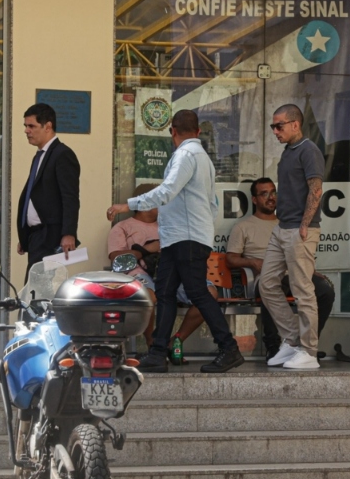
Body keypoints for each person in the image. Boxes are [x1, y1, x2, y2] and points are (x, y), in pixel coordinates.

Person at [106, 110, 244, 374]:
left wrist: (129, 204)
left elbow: (168, 191)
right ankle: (157, 353)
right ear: (198, 131)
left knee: (197, 293)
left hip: (186, 238)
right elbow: (211, 204)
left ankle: (229, 349)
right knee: (166, 294)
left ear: (173, 131)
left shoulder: (186, 155)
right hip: (179, 237)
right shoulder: (203, 159)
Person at [226, 178, 334, 360]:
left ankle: (306, 344)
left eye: (273, 192)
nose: (270, 198)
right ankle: (274, 345)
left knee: (325, 291)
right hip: (265, 275)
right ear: (254, 200)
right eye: (264, 194)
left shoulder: (287, 224)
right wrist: (253, 262)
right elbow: (230, 258)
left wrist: (310, 269)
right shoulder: (243, 227)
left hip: (293, 270)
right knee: (272, 285)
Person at [107, 183, 218, 356]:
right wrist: (147, 250)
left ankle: (176, 340)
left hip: (174, 272)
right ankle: (153, 344)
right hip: (140, 274)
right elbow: (117, 259)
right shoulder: (122, 228)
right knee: (148, 296)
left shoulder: (171, 226)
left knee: (209, 293)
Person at [259, 104, 323, 371]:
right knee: (267, 284)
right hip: (282, 227)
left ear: (296, 124)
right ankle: (292, 340)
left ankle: (309, 352)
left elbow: (316, 190)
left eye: (279, 125)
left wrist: (305, 225)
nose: (275, 131)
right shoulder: (288, 152)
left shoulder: (309, 150)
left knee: (302, 291)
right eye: (273, 126)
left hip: (299, 229)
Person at [16, 103, 80, 280]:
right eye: (25, 126)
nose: (26, 131)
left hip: (51, 237)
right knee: (35, 288)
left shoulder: (62, 154)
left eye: (32, 126)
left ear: (48, 126)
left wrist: (69, 233)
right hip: (36, 237)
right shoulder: (40, 156)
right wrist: (25, 234)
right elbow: (34, 196)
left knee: (39, 289)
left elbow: (70, 197)